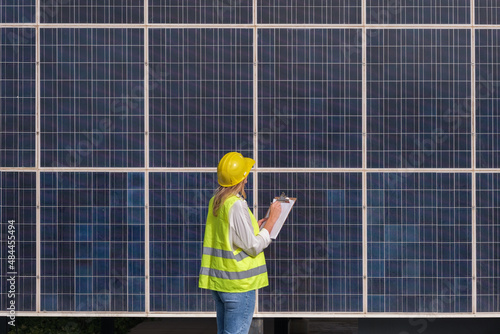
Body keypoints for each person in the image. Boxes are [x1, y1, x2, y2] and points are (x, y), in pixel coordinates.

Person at [199, 151, 282, 334]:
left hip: (221, 284)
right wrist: (272, 221)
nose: (247, 180)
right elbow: (253, 246)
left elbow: (230, 235)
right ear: (241, 179)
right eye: (245, 175)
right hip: (238, 286)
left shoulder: (217, 201)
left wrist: (256, 226)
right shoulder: (236, 204)